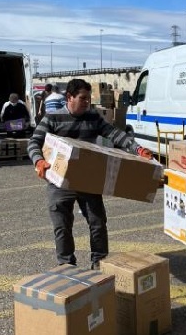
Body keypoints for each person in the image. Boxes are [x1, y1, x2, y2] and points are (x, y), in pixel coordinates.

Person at [28, 78, 155, 270]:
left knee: (97, 223)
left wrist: (137, 149)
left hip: (87, 181)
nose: (87, 102)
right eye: (83, 98)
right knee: (62, 226)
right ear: (69, 97)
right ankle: (66, 265)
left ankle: (99, 263)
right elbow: (33, 142)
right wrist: (39, 161)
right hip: (59, 182)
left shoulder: (93, 117)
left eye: (89, 98)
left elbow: (115, 134)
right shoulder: (52, 118)